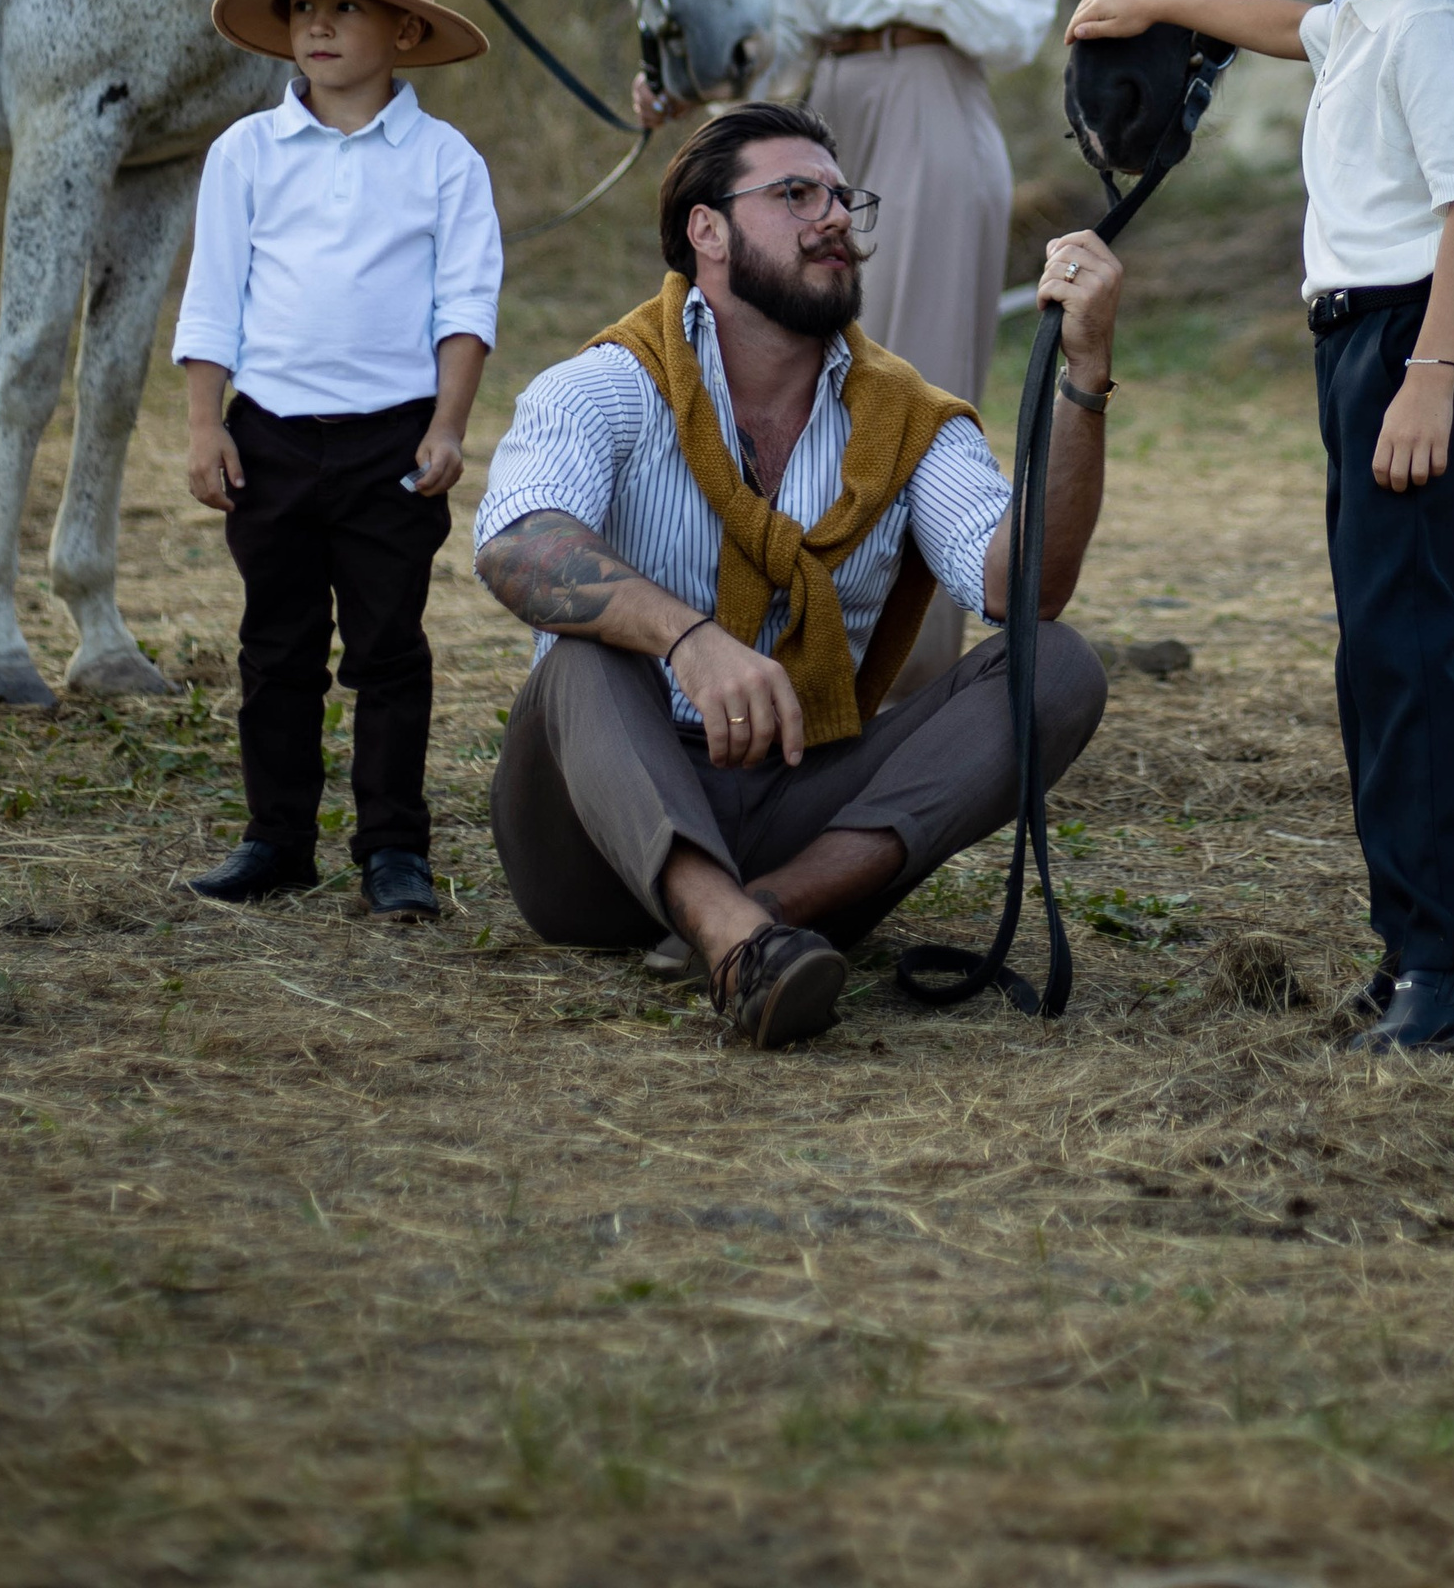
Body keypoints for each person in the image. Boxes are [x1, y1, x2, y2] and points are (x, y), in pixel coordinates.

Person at [1068, 0, 1454, 1053]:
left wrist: (1431, 376)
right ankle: (1419, 948)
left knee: (1405, 663)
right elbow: (1293, 25)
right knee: (1383, 660)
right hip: (1362, 348)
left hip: (1409, 345)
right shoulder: (1380, 6)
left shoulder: (1440, 33)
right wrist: (1159, 5)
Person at [471, 102, 1117, 1050]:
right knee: (586, 648)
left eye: (842, 197)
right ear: (708, 231)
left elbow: (1024, 587)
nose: (834, 218)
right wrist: (688, 640)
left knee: (1056, 663)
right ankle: (732, 937)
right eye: (794, 194)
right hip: (589, 844)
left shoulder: (906, 417)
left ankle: (761, 911)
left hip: (795, 818)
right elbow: (516, 544)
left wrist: (1085, 378)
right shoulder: (609, 381)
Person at [645, 0, 1056, 701]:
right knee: (782, 367)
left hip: (931, 101)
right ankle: (778, 641)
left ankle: (911, 678)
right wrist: (696, 86)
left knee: (907, 382)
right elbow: (775, 12)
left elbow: (1015, 26)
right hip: (816, 112)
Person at [173, 0, 503, 922]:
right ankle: (276, 837)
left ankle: (392, 847)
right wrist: (205, 422)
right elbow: (213, 294)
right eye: (303, 6)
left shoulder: (444, 160)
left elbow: (464, 305)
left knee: (388, 647)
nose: (317, 26)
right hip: (269, 435)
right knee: (275, 646)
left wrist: (446, 426)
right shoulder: (248, 151)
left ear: (403, 31)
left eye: (345, 7)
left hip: (391, 440)